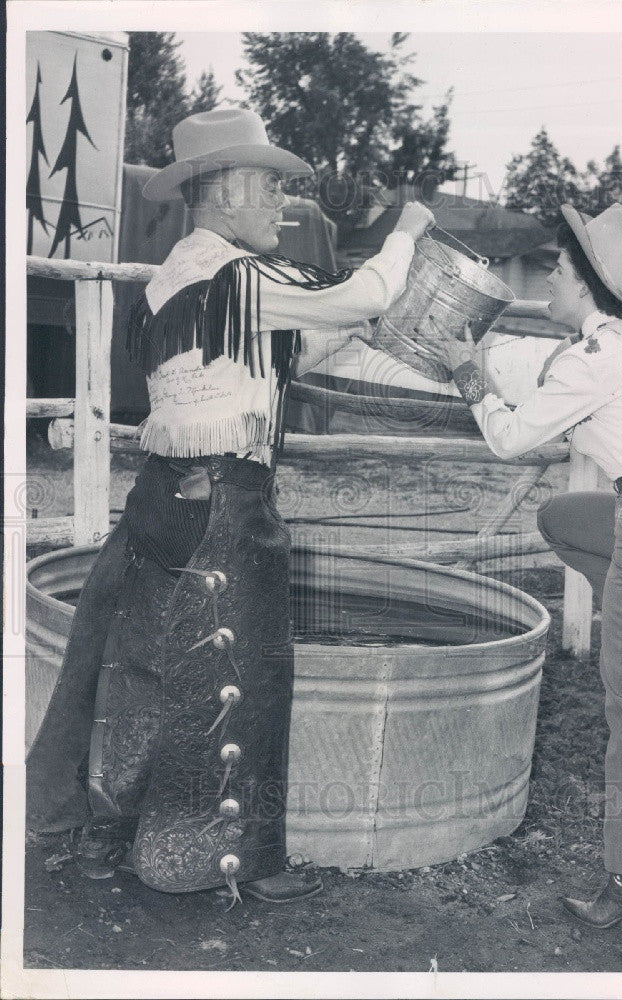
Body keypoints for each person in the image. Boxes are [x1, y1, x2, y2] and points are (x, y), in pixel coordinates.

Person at [26, 108, 434, 905]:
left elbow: (287, 350)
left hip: (159, 496)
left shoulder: (182, 272)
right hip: (228, 503)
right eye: (269, 186)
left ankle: (109, 836)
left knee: (138, 666)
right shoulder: (242, 276)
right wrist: (407, 232)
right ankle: (232, 861)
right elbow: (360, 298)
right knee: (245, 675)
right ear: (224, 192)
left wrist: (380, 345)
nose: (281, 200)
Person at [423, 202, 622, 928]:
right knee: (562, 520)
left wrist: (466, 375)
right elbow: (561, 387)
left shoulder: (591, 361)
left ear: (591, 284)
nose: (547, 284)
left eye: (559, 271)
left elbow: (507, 439)